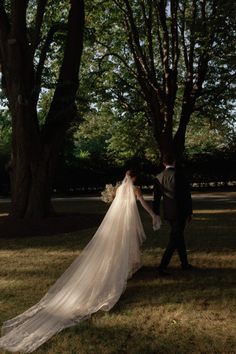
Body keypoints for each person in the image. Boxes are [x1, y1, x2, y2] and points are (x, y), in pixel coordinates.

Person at [0, 170, 160, 353]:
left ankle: (130, 266)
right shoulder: (135, 189)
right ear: (134, 179)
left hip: (116, 224)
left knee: (116, 249)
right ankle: (124, 269)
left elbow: (115, 206)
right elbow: (143, 204)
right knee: (124, 248)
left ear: (125, 178)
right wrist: (153, 215)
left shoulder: (119, 189)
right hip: (126, 224)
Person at [153, 154, 193, 276]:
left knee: (178, 237)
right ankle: (162, 267)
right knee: (175, 238)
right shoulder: (180, 175)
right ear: (174, 161)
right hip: (180, 212)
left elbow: (156, 198)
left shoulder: (158, 177)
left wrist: (156, 213)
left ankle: (184, 264)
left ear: (164, 163)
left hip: (168, 213)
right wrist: (189, 212)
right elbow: (187, 195)